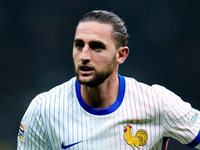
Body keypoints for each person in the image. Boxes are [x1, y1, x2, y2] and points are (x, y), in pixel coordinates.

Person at [17, 10, 200, 150]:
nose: (84, 56)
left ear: (121, 55)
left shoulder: (158, 102)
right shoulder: (43, 109)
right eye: (79, 45)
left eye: (96, 47)